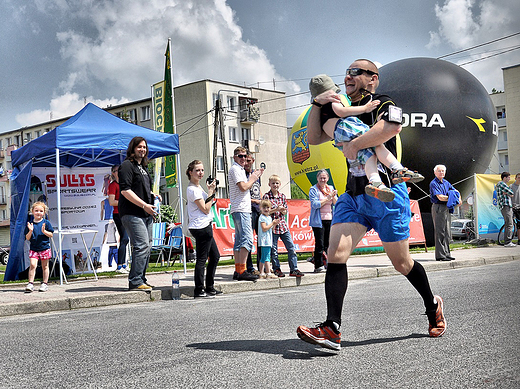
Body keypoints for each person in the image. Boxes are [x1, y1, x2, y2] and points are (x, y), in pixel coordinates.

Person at [297, 59, 446, 351]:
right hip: (353, 196)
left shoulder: (382, 102)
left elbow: (390, 128)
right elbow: (314, 138)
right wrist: (316, 104)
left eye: (356, 72)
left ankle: (432, 305)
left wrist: (354, 144)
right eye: (347, 72)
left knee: (401, 263)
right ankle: (332, 328)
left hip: (387, 193)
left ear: (372, 79)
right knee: (335, 253)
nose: (348, 76)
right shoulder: (336, 110)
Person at [309, 74, 423, 202]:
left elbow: (313, 138)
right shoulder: (333, 100)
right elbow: (341, 112)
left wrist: (316, 103)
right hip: (347, 128)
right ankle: (397, 168)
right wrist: (364, 108)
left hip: (340, 136)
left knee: (369, 155)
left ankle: (375, 182)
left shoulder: (320, 114)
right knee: (377, 144)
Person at [119, 136, 161, 291]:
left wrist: (152, 194)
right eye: (139, 147)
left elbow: (139, 188)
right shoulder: (126, 166)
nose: (142, 150)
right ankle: (135, 281)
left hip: (145, 213)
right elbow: (125, 190)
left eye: (144, 147)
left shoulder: (142, 168)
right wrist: (144, 205)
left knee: (148, 246)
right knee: (141, 245)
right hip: (132, 213)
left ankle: (141, 279)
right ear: (133, 148)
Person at [186, 160, 221, 298]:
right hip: (200, 226)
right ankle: (199, 289)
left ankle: (209, 287)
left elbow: (211, 202)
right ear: (190, 172)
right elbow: (206, 209)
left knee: (215, 256)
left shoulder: (198, 188)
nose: (200, 173)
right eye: (197, 170)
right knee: (202, 259)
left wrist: (212, 190)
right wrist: (211, 191)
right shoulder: (192, 190)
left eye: (202, 170)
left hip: (204, 225)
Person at [228, 146, 264, 281]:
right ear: (235, 157)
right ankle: (242, 270)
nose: (243, 159)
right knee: (247, 240)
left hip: (240, 208)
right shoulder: (236, 169)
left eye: (245, 156)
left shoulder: (239, 169)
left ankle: (238, 269)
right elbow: (243, 187)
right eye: (240, 156)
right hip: (241, 209)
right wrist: (253, 178)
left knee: (239, 241)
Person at [263, 174, 304, 277]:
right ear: (269, 184)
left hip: (283, 226)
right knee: (274, 250)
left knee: (291, 248)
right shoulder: (266, 196)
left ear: (280, 184)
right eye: (273, 183)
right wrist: (275, 209)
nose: (275, 185)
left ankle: (294, 268)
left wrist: (283, 210)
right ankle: (276, 268)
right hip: (273, 226)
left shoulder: (282, 196)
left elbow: (285, 211)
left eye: (277, 183)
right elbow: (265, 212)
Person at [429, 164, 461, 260]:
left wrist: (458, 197)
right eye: (439, 171)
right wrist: (453, 198)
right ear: (435, 172)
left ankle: (447, 253)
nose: (441, 172)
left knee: (447, 232)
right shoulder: (433, 183)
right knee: (440, 232)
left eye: (443, 171)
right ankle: (440, 255)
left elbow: (456, 191)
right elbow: (440, 197)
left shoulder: (446, 183)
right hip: (438, 207)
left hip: (446, 208)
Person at [309, 169, 337, 272]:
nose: (322, 180)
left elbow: (336, 203)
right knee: (320, 243)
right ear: (317, 179)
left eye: (324, 178)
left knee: (328, 243)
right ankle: (318, 265)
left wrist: (333, 196)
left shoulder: (330, 188)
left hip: (329, 219)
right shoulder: (313, 189)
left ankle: (327, 262)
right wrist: (327, 198)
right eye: (321, 178)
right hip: (318, 220)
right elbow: (315, 204)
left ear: (328, 179)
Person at [24, 201, 54, 293]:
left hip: (44, 248)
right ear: (32, 211)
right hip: (34, 248)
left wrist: (44, 231)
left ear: (44, 213)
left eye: (41, 211)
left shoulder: (46, 222)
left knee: (45, 266)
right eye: (36, 210)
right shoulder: (30, 224)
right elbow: (27, 238)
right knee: (33, 265)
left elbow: (51, 234)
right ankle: (30, 283)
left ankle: (45, 283)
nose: (38, 213)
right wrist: (30, 231)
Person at [108, 165, 130, 273]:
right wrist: (125, 203)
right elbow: (111, 202)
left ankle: (123, 264)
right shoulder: (113, 185)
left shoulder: (124, 184)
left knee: (125, 239)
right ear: (113, 173)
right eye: (117, 171)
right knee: (124, 238)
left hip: (126, 213)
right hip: (118, 214)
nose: (119, 173)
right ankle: (120, 265)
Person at [245, 151, 262, 275]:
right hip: (248, 208)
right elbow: (242, 194)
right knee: (248, 239)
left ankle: (261, 266)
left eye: (249, 160)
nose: (246, 163)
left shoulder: (256, 174)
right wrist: (255, 200)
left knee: (262, 238)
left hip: (258, 209)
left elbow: (258, 190)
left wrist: (261, 202)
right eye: (245, 160)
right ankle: (249, 267)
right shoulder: (242, 174)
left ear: (253, 161)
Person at [257, 199, 280, 279]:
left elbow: (271, 229)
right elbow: (264, 228)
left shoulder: (269, 218)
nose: (266, 209)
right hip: (264, 240)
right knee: (265, 257)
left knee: (265, 257)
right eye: (264, 207)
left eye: (268, 207)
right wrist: (272, 223)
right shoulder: (262, 217)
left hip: (268, 240)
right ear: (261, 208)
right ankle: (266, 272)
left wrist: (274, 224)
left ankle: (264, 272)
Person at [495, 172, 515, 247]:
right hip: (505, 205)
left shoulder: (502, 185)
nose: (509, 179)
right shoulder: (502, 184)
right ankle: (507, 242)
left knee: (508, 223)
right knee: (509, 223)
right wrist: (508, 193)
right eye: (508, 177)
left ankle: (507, 241)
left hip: (506, 205)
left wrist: (507, 193)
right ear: (504, 177)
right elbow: (511, 192)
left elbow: (511, 194)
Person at [511, 173, 520, 245]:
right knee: (519, 224)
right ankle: (519, 240)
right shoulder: (511, 186)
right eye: (519, 177)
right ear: (515, 178)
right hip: (515, 207)